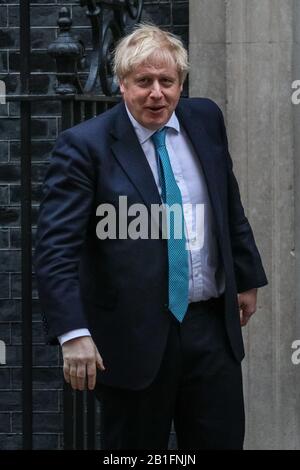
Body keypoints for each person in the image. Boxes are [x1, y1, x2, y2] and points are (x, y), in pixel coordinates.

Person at [35, 24, 268, 450]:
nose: (156, 93)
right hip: (131, 335)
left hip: (210, 328)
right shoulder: (85, 146)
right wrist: (73, 332)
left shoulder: (205, 119)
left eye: (167, 81)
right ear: (122, 84)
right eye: (143, 82)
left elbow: (226, 200)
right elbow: (55, 250)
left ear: (181, 83)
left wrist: (246, 274)